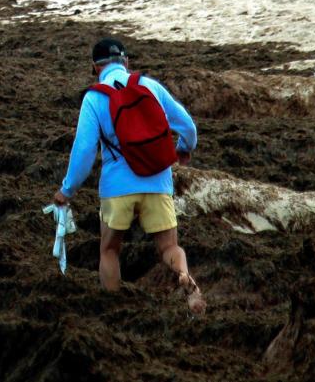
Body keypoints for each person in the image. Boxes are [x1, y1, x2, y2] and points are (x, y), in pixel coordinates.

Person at [52, 37, 206, 314]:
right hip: (157, 181)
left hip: (117, 188)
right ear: (126, 62)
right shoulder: (150, 86)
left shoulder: (94, 97)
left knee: (109, 250)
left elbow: (84, 151)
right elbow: (188, 126)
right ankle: (185, 276)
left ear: (95, 68)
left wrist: (67, 190)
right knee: (169, 248)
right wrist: (183, 149)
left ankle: (115, 310)